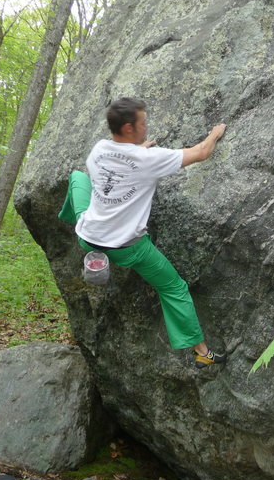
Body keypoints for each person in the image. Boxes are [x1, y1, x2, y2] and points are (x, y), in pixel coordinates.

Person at [59, 97, 226, 368]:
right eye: (142, 123)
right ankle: (202, 353)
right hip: (128, 248)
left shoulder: (99, 149)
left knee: (78, 178)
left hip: (87, 235)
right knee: (174, 288)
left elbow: (114, 167)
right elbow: (201, 152)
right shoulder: (150, 159)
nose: (146, 127)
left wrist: (138, 152)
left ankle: (76, 229)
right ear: (128, 128)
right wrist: (215, 132)